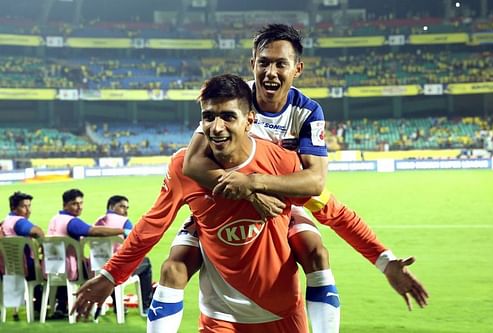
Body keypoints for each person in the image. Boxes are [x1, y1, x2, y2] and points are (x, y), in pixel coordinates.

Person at [72, 74, 427, 332]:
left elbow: (334, 211)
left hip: (282, 313)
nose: (217, 126)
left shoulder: (282, 165)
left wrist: (385, 261)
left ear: (250, 120)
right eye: (209, 117)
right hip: (220, 317)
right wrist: (111, 275)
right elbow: (152, 226)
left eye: (228, 116)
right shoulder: (185, 166)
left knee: (315, 247)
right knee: (173, 265)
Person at [154, 24, 429, 333]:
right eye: (264, 62)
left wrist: (254, 183)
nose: (270, 72)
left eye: (280, 64)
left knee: (315, 251)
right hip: (219, 198)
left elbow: (315, 183)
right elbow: (191, 164)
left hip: (281, 198)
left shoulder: (308, 111)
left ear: (297, 68)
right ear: (253, 64)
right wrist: (246, 190)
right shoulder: (232, 99)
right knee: (173, 266)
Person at [47, 188, 125, 317]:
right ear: (65, 205)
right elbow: (95, 232)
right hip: (70, 268)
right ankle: (110, 307)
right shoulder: (72, 222)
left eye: (81, 203)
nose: (79, 207)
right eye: (74, 204)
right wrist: (121, 231)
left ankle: (61, 306)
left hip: (52, 267)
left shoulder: (54, 219)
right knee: (104, 269)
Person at [94, 195, 153, 315]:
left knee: (108, 264)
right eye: (121, 206)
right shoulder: (125, 222)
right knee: (145, 263)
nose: (125, 210)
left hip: (97, 268)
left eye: (127, 207)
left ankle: (118, 305)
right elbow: (136, 244)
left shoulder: (97, 222)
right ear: (111, 206)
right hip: (117, 268)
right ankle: (146, 306)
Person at [0, 191, 44, 320]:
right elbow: (36, 231)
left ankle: (37, 306)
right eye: (24, 206)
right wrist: (44, 245)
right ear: (14, 208)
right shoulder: (18, 222)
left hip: (7, 269)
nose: (28, 210)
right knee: (53, 270)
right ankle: (51, 307)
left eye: (29, 206)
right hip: (25, 269)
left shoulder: (4, 222)